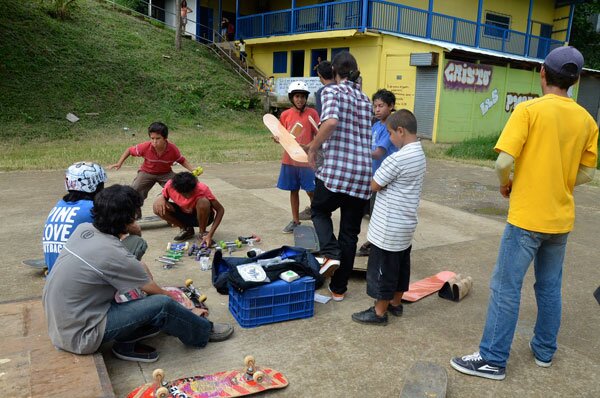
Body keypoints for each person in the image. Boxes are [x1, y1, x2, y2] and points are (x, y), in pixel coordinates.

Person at [450, 46, 598, 380]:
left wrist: (509, 183)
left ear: (543, 74)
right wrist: (559, 182)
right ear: (575, 80)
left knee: (505, 287)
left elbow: (503, 162)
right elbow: (588, 172)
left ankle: (492, 358)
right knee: (549, 287)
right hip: (560, 221)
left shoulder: (529, 110)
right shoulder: (587, 120)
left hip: (526, 219)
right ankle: (545, 351)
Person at [43, 185, 234, 363]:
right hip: (82, 335)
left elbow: (133, 264)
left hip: (62, 323)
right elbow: (159, 294)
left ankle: (129, 337)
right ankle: (201, 331)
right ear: (128, 219)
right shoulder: (114, 253)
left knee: (137, 291)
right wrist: (188, 310)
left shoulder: (84, 229)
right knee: (163, 305)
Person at [307, 51, 373, 301]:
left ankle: (331, 253)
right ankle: (338, 289)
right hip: (362, 174)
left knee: (319, 210)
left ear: (334, 71)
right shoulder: (365, 99)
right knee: (350, 233)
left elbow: (332, 122)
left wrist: (313, 147)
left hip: (338, 171)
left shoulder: (333, 92)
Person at [352, 110, 426, 325]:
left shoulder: (398, 158)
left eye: (390, 133)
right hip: (405, 222)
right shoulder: (419, 153)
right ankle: (395, 303)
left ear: (400, 131)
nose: (390, 137)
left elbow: (375, 185)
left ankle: (379, 312)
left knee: (382, 269)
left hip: (389, 225)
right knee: (401, 265)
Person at [109, 121, 195, 205]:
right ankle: (130, 211)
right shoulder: (145, 147)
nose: (154, 141)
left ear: (165, 138)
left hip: (165, 173)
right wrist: (119, 163)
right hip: (147, 172)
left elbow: (181, 160)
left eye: (158, 138)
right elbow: (129, 150)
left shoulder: (172, 149)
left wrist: (193, 170)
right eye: (152, 138)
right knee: (134, 191)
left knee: (181, 187)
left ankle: (180, 207)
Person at [43, 162, 107, 273]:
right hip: (80, 282)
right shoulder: (92, 208)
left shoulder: (58, 206)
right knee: (133, 243)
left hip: (53, 281)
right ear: (97, 185)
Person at [357, 89, 398, 257]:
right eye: (375, 106)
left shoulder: (390, 128)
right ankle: (375, 240)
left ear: (391, 106)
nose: (377, 110)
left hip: (386, 178)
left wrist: (358, 151)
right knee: (373, 211)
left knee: (379, 211)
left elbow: (379, 153)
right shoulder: (375, 125)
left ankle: (377, 243)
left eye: (381, 106)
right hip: (374, 176)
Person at [275, 81, 320, 232]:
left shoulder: (312, 114)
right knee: (293, 190)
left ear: (306, 98)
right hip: (290, 160)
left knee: (311, 190)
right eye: (296, 96)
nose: (299, 99)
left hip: (307, 161)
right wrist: (277, 138)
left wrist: (310, 147)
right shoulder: (285, 115)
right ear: (291, 98)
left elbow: (319, 135)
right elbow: (280, 134)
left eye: (302, 96)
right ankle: (295, 220)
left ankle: (318, 217)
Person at [153, 171, 225, 244]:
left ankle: (202, 232)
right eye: (184, 194)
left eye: (190, 193)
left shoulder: (202, 188)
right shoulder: (170, 185)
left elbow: (220, 210)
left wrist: (210, 235)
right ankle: (186, 229)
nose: (188, 196)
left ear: (194, 187)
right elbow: (162, 195)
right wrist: (161, 197)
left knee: (203, 202)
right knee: (157, 207)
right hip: (183, 215)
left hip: (202, 217)